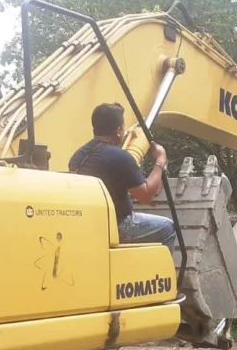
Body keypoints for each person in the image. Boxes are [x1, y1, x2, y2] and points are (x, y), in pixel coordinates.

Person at [69, 103, 176, 250]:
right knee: (167, 228)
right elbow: (145, 196)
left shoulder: (78, 155)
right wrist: (160, 162)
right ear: (118, 130)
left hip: (87, 222)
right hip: (115, 224)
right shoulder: (120, 157)